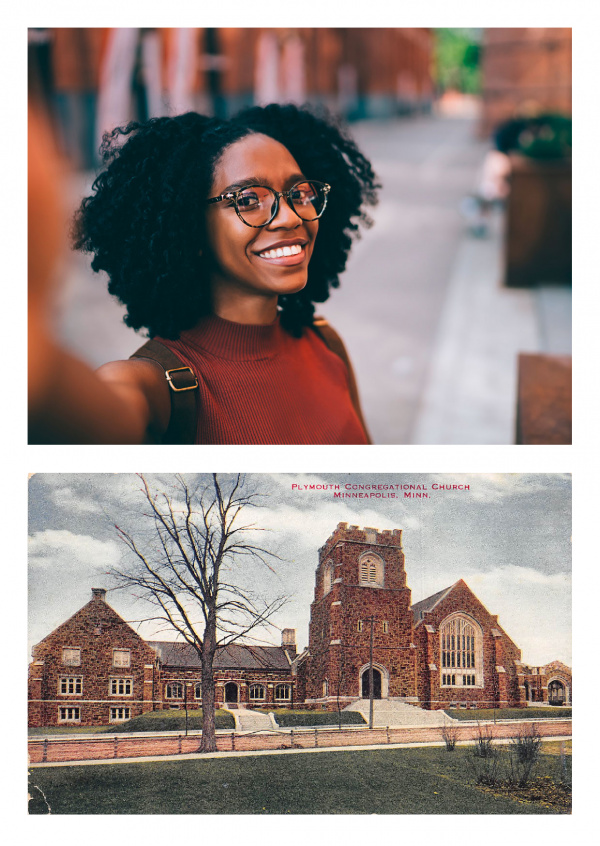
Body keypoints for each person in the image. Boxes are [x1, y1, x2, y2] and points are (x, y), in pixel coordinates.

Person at [55, 103, 378, 445]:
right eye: (249, 199)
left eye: (299, 193)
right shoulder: (153, 389)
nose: (290, 217)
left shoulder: (326, 344)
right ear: (191, 228)